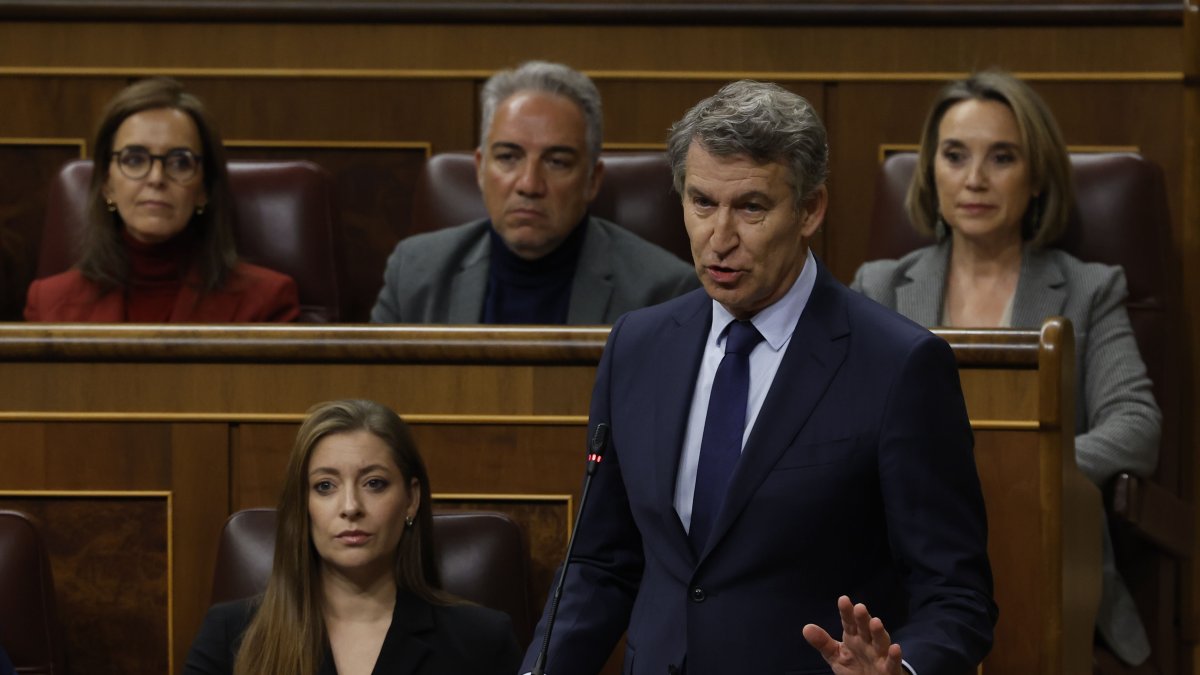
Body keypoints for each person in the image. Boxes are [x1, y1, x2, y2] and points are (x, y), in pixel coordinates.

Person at [519, 81, 996, 675]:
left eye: (751, 208)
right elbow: (600, 565)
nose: (720, 239)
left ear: (810, 209)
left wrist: (899, 670)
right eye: (701, 203)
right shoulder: (638, 346)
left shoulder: (899, 366)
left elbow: (957, 597)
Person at [852, 70, 1161, 666]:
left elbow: (1136, 425)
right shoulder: (881, 286)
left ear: (1037, 174)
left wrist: (1020, 474)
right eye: (955, 155)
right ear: (930, 170)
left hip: (1045, 558)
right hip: (900, 575)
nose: (975, 179)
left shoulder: (1089, 289)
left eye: (1002, 157)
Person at [184, 399, 520, 675]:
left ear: (411, 499)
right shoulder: (230, 634)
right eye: (325, 486)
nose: (350, 507)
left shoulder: (481, 640)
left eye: (374, 483)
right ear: (304, 505)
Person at [370, 61, 698, 324]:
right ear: (481, 169)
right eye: (508, 157)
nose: (529, 184)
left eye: (556, 162)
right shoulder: (413, 273)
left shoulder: (663, 291)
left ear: (592, 181)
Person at [24, 77, 299, 322]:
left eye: (180, 162)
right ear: (107, 185)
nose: (156, 177)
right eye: (134, 159)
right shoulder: (49, 305)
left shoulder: (266, 303)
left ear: (203, 189)